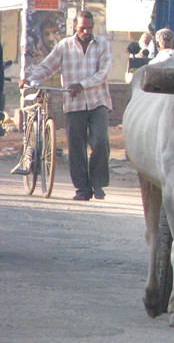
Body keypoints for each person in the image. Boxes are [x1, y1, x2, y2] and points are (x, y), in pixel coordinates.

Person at [20, 11, 112, 201]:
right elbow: (48, 66)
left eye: (89, 28)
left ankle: (97, 183)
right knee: (76, 148)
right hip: (73, 103)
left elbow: (103, 74)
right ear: (75, 26)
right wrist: (30, 79)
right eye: (82, 28)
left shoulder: (102, 44)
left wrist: (82, 85)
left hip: (98, 101)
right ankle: (82, 189)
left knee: (100, 141)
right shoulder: (65, 45)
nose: (86, 31)